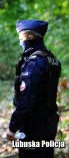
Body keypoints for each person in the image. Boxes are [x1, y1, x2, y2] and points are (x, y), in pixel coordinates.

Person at [6, 20, 61, 158]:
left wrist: (13, 127)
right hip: (49, 123)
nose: (20, 40)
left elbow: (27, 99)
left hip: (34, 125)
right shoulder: (52, 58)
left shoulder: (34, 62)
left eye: (21, 36)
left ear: (30, 37)